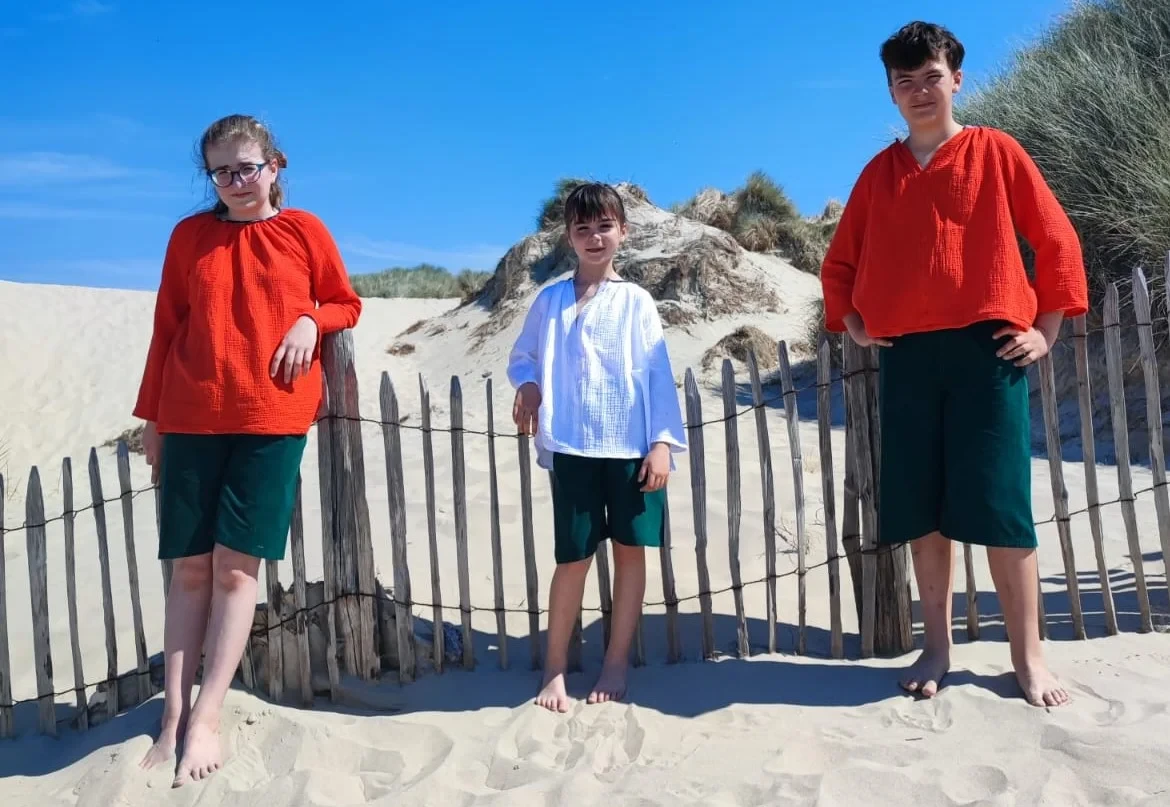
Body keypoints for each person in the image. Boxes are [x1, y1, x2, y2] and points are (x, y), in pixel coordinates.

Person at [820, 22, 1087, 708]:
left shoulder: (996, 150)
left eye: (931, 77)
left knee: (1002, 504)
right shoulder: (879, 174)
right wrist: (853, 322)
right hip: (908, 358)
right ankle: (936, 647)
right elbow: (840, 261)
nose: (919, 92)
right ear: (891, 91)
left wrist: (1047, 329)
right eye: (904, 82)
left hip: (987, 352)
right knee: (922, 508)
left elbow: (1055, 236)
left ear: (956, 79)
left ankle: (1028, 657)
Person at [134, 114, 362, 785]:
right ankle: (173, 715)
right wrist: (152, 416)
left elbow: (345, 303)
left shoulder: (304, 230)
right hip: (190, 415)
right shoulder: (188, 236)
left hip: (271, 416)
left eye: (247, 167)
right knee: (189, 569)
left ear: (274, 165)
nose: (236, 181)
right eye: (222, 172)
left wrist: (309, 318)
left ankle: (207, 716)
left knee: (237, 570)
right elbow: (167, 326)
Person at [507, 182, 686, 712]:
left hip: (631, 448)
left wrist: (661, 443)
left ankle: (616, 662)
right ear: (568, 237)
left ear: (623, 232)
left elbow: (657, 373)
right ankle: (554, 668)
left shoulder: (637, 301)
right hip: (573, 446)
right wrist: (528, 385)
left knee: (631, 553)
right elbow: (523, 357)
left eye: (604, 226)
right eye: (582, 228)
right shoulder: (550, 300)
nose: (594, 237)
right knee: (573, 558)